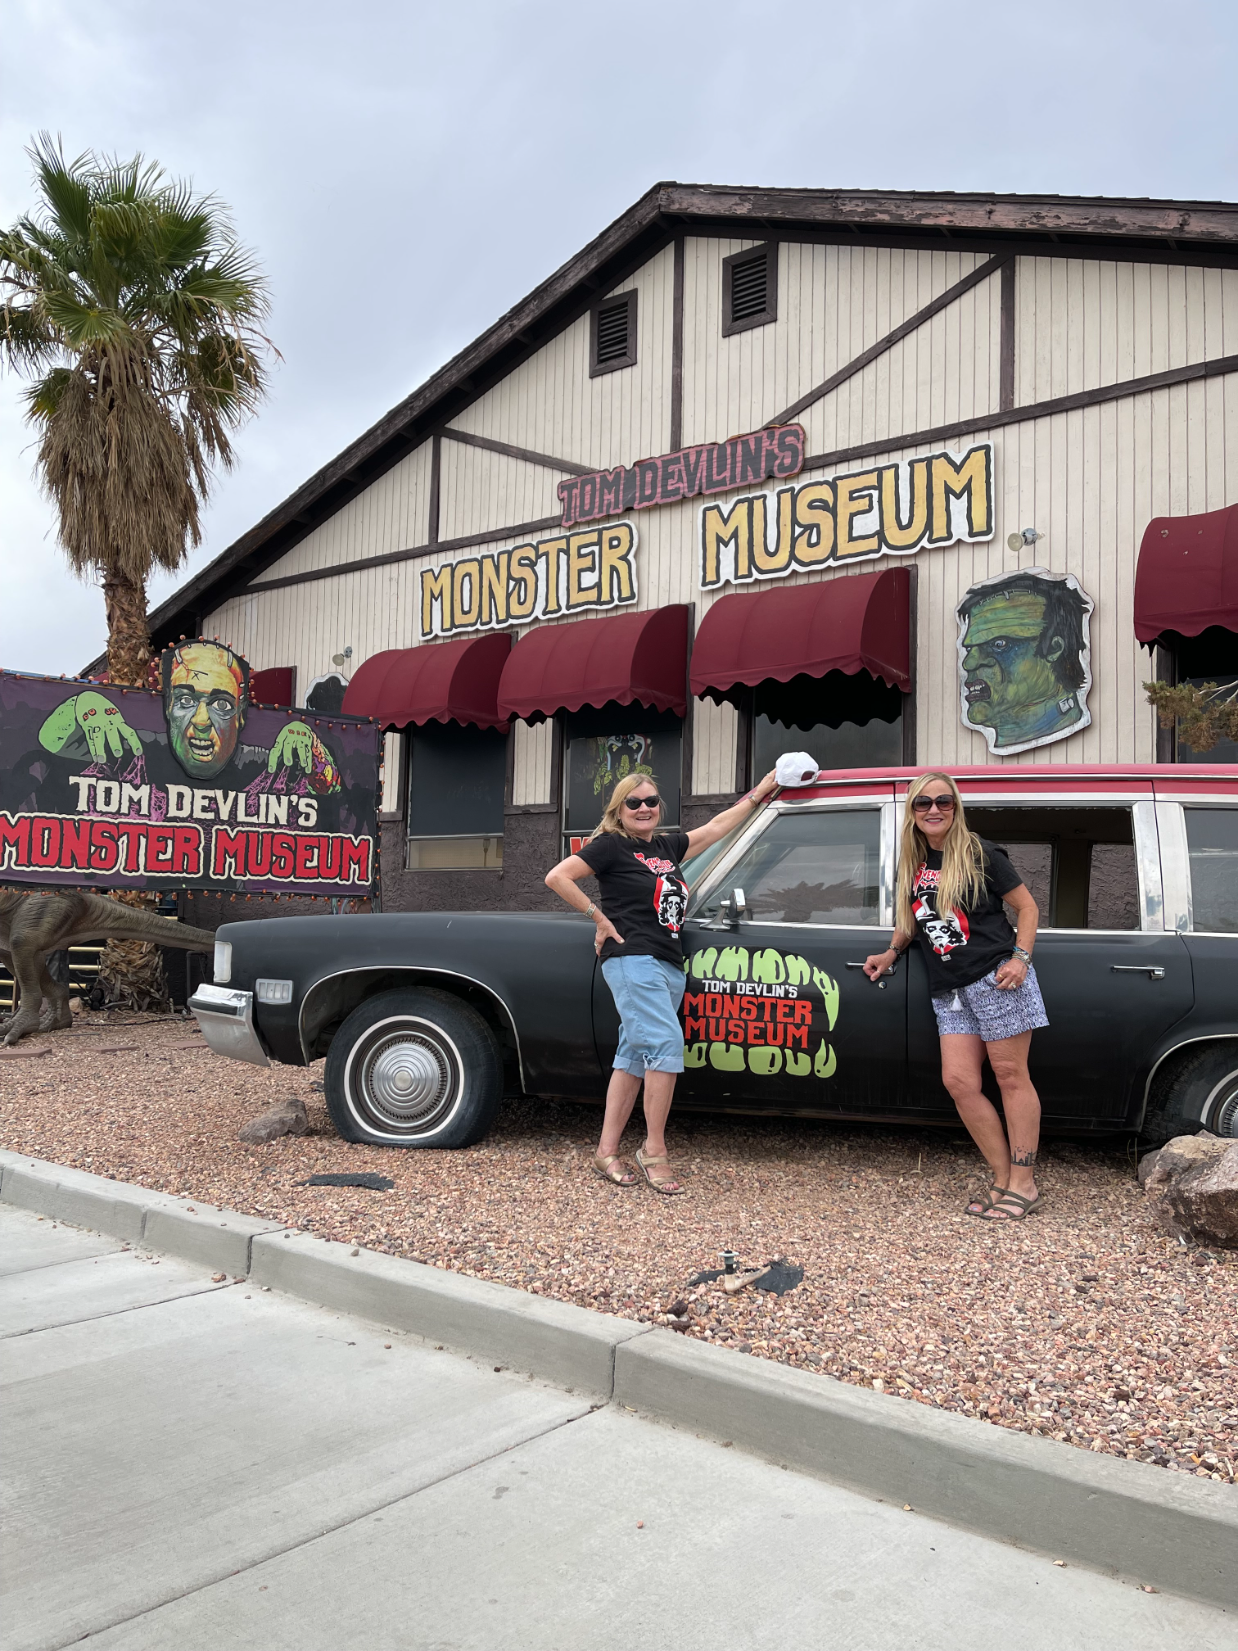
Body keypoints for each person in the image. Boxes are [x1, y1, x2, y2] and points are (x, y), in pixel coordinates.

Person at [545, 768, 778, 1193]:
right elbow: (557, 876)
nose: (644, 808)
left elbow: (717, 827)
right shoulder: (611, 845)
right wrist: (598, 918)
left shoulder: (667, 847)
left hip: (668, 963)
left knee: (634, 1054)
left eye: (651, 801)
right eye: (633, 802)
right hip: (632, 958)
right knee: (666, 1046)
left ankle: (606, 1152)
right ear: (619, 809)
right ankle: (654, 1150)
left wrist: (760, 793)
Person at [863, 772, 1049, 1221]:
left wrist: (1021, 958)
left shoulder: (981, 852)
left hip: (995, 978)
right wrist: (891, 951)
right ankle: (1002, 1178)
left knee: (1010, 1076)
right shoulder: (914, 859)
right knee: (960, 1082)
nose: (934, 810)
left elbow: (1027, 907)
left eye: (943, 801)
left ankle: (1024, 1183)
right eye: (923, 803)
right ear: (912, 810)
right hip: (949, 989)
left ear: (955, 807)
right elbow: (916, 918)